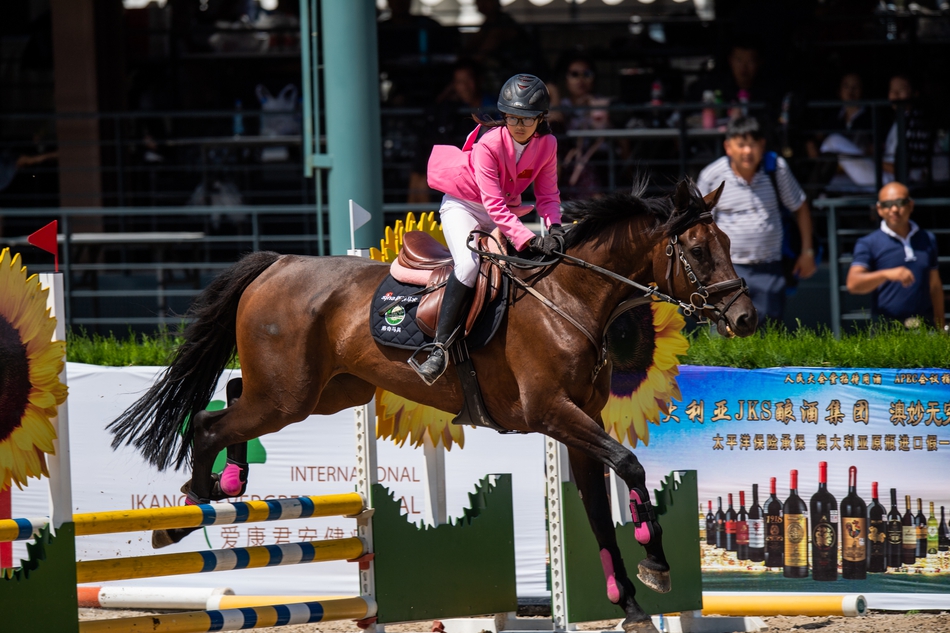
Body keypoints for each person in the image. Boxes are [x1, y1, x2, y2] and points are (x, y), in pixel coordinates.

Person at [413, 73, 563, 385]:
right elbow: (493, 206)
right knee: (469, 265)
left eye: (527, 118)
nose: (519, 125)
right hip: (464, 206)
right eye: (512, 117)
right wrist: (527, 238)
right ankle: (439, 347)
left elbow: (547, 195)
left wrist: (555, 228)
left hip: (503, 210)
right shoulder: (489, 144)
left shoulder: (547, 144)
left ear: (541, 118)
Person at [696, 116, 816, 325]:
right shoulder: (711, 176)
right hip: (727, 271)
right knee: (728, 334)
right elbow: (697, 226)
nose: (747, 152)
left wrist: (807, 252)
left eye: (752, 144)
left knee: (770, 336)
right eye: (741, 145)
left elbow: (800, 207)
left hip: (770, 268)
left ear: (762, 145)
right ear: (728, 146)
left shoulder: (776, 168)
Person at [846, 182, 944, 330]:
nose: (894, 209)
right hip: (886, 329)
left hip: (925, 326)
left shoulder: (927, 239)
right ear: (879, 209)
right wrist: (886, 274)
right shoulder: (868, 243)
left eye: (900, 203)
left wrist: (941, 327)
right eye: (887, 204)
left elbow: (935, 286)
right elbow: (853, 284)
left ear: (911, 205)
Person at [547, 52, 614, 200]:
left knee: (585, 164)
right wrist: (555, 95)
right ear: (566, 78)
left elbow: (602, 133)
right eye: (574, 74)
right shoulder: (562, 105)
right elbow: (554, 125)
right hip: (567, 160)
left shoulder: (600, 103)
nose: (580, 80)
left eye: (587, 74)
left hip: (597, 157)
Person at [882, 74, 933, 186]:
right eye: (892, 90)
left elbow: (906, 170)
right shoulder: (897, 120)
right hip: (884, 174)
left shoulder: (916, 122)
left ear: (915, 93)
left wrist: (874, 159)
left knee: (836, 141)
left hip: (898, 180)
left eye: (901, 89)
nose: (895, 94)